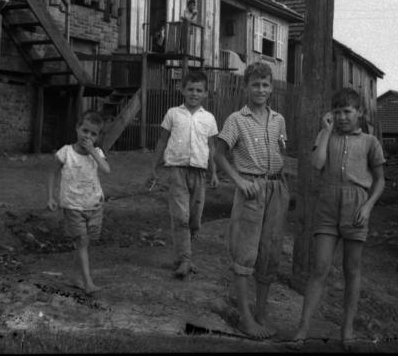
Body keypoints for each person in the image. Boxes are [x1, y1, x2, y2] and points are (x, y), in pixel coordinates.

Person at [288, 88, 385, 351]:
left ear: (360, 113)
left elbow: (380, 181)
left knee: (351, 270)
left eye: (348, 112)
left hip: (356, 207)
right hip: (328, 206)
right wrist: (326, 131)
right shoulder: (325, 135)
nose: (342, 117)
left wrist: (367, 207)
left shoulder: (370, 142)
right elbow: (317, 164)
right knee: (319, 268)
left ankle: (347, 330)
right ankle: (302, 330)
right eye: (338, 112)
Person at [214, 61, 289, 339]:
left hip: (276, 189)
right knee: (245, 252)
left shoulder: (278, 119)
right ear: (246, 87)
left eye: (265, 85)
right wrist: (239, 181)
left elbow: (282, 151)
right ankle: (245, 319)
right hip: (251, 188)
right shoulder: (236, 120)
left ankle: (260, 313)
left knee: (269, 252)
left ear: (271, 88)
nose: (261, 89)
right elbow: (219, 154)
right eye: (255, 84)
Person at [149, 69, 219, 278]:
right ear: (182, 90)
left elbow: (211, 147)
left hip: (199, 173)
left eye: (199, 90)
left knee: (195, 219)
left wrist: (214, 172)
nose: (194, 93)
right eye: (190, 89)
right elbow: (162, 140)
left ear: (206, 93)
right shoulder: (173, 113)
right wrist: (153, 166)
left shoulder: (209, 118)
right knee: (180, 216)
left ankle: (185, 255)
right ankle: (185, 260)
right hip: (177, 171)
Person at [47, 110, 111, 294]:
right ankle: (88, 282)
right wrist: (51, 197)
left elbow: (106, 170)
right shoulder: (65, 152)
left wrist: (93, 151)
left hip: (95, 206)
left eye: (93, 134)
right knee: (82, 241)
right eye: (85, 130)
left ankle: (75, 278)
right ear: (77, 128)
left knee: (85, 243)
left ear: (98, 137)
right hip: (73, 206)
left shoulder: (97, 152)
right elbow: (52, 172)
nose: (88, 136)